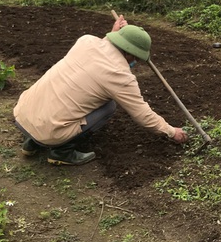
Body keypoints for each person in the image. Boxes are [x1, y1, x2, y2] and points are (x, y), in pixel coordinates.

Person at [13, 14, 189, 166]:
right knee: (109, 106)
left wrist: (115, 33)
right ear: (131, 54)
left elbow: (104, 44)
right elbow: (142, 114)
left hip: (23, 113)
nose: (135, 62)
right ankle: (61, 151)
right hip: (49, 131)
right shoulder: (120, 76)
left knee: (63, 92)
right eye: (135, 58)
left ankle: (32, 142)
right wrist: (172, 131)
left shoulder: (86, 41)